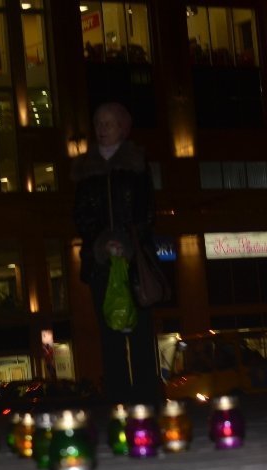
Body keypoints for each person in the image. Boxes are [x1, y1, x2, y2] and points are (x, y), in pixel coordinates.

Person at [72, 102, 159, 407]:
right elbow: (81, 215)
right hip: (101, 263)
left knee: (141, 334)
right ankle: (119, 402)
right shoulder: (85, 169)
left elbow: (146, 210)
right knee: (110, 335)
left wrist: (127, 243)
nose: (101, 129)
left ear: (123, 127)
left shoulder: (136, 164)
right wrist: (102, 244)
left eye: (108, 123)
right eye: (98, 123)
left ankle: (147, 401)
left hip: (134, 260)